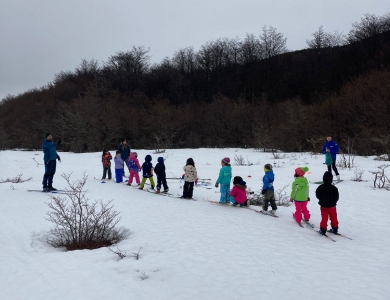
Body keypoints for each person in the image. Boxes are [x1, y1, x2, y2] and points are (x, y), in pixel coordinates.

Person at [315, 171, 339, 235]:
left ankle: (323, 230)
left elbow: (317, 195)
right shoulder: (334, 188)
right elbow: (336, 196)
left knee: (324, 218)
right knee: (334, 217)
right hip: (332, 206)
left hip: (324, 206)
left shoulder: (320, 187)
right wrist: (335, 201)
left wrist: (321, 199)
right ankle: (335, 228)